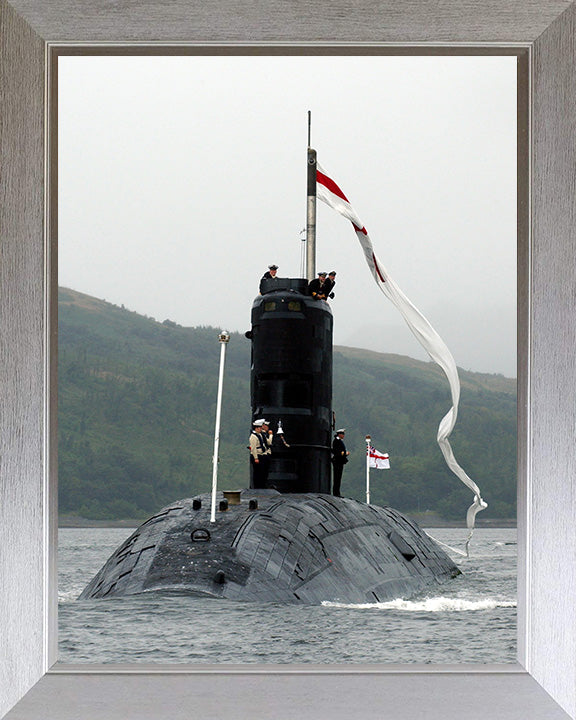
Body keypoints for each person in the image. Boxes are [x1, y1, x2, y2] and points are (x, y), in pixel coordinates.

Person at [249, 420, 270, 487]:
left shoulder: (260, 435)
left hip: (262, 455)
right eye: (260, 428)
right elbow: (253, 448)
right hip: (257, 456)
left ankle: (262, 485)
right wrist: (256, 458)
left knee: (263, 472)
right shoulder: (253, 436)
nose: (261, 429)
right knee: (258, 472)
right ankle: (257, 486)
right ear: (257, 428)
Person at [331, 428, 349, 497]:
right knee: (337, 477)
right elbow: (336, 451)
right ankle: (336, 493)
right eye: (343, 434)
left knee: (338, 477)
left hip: (340, 461)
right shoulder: (336, 441)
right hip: (337, 461)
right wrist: (345, 453)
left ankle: (337, 492)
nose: (344, 435)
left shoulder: (339, 441)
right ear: (339, 434)